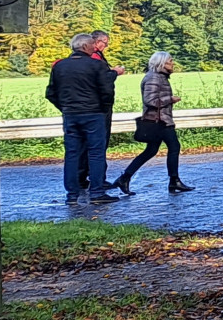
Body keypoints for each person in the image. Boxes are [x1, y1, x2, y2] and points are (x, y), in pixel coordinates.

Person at [47, 32, 120, 204]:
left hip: (70, 115)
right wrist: (103, 108)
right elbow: (107, 91)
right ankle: (97, 192)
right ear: (86, 46)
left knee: (72, 154)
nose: (95, 48)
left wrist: (65, 108)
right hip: (93, 114)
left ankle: (72, 195)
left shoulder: (59, 66)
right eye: (93, 45)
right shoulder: (96, 65)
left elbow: (51, 93)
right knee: (96, 153)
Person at [114, 51, 194, 194]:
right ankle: (174, 181)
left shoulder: (159, 76)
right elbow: (150, 101)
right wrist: (170, 99)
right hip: (159, 121)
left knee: (151, 151)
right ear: (161, 63)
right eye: (170, 61)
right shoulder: (154, 78)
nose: (172, 63)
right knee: (174, 147)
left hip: (160, 119)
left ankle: (124, 178)